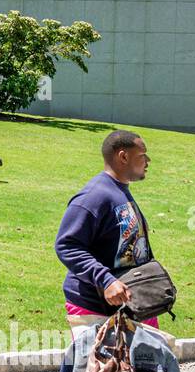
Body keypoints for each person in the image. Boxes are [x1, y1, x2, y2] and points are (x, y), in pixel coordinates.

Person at [55, 130, 175, 348]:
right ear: (123, 156)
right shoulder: (94, 196)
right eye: (142, 155)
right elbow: (67, 245)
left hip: (132, 304)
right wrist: (106, 280)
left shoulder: (119, 190)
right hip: (95, 308)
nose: (148, 161)